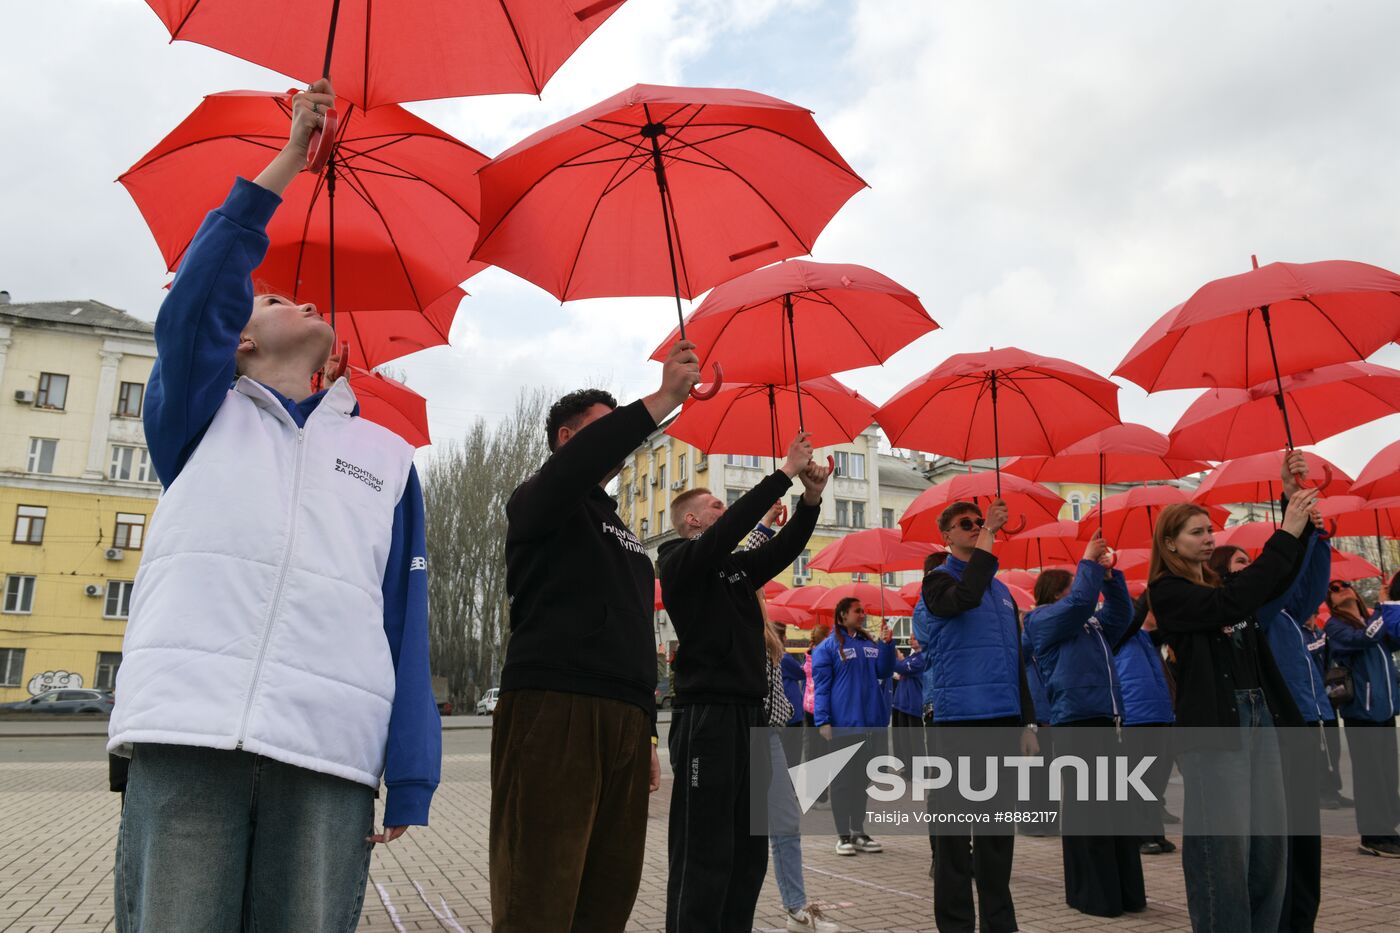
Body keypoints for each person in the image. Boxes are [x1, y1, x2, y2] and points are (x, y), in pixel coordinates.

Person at [108, 80, 441, 932]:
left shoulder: (386, 456)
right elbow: (196, 302)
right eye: (269, 298)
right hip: (188, 733)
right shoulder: (196, 414)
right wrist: (291, 156)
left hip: (327, 750)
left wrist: (410, 768)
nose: (297, 298)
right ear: (240, 340)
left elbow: (404, 615)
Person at [492, 347, 701, 930]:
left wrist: (647, 733)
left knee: (609, 891)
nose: (622, 442)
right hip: (557, 707)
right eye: (604, 429)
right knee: (539, 889)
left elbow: (633, 634)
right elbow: (571, 472)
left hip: (625, 718)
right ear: (566, 437)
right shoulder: (541, 497)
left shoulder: (616, 525)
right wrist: (661, 401)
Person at [659, 434, 829, 933]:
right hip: (706, 719)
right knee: (703, 850)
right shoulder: (678, 562)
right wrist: (781, 472)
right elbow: (732, 528)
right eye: (715, 504)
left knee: (748, 852)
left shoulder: (732, 569)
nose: (724, 508)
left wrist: (810, 498)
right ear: (693, 520)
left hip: (750, 721)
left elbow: (784, 549)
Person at [1148, 459, 1320, 933]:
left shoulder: (1221, 584)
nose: (1209, 538)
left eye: (1209, 531)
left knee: (1269, 850)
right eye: (1196, 532)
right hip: (1216, 731)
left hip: (1260, 714)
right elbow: (1232, 603)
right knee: (1222, 854)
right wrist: (1285, 531)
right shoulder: (1169, 592)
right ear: (1169, 544)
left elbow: (1275, 582)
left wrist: (1293, 506)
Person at [915, 499, 1037, 933]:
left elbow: (1014, 660)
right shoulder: (937, 580)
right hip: (957, 721)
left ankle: (1000, 925)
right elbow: (962, 599)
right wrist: (989, 540)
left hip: (1002, 719)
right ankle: (955, 925)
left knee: (997, 838)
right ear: (946, 536)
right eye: (964, 524)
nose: (974, 527)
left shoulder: (1002, 593)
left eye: (978, 522)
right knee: (953, 837)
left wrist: (1027, 720)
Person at [1210, 507, 1332, 930]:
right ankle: (1283, 918)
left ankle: (1300, 916)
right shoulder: (1245, 613)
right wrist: (1294, 528)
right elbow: (1280, 576)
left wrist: (1317, 539)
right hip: (1271, 729)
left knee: (1305, 834)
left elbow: (1307, 583)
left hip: (1305, 720)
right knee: (1282, 838)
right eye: (1241, 561)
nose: (1251, 563)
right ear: (1225, 576)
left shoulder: (1280, 614)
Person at [1024, 533, 1143, 918]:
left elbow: (1121, 616)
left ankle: (1124, 892)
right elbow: (1080, 603)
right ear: (1055, 592)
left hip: (1106, 719)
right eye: (1072, 585)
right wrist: (1088, 564)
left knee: (1117, 811)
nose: (1079, 590)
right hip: (1076, 721)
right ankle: (1093, 894)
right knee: (1089, 811)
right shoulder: (1041, 620)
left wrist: (1110, 577)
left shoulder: (1087, 623)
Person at [762, 615, 840, 933]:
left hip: (769, 733)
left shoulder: (766, 637)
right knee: (733, 831)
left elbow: (785, 680)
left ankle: (796, 910)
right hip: (732, 733)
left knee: (786, 822)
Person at [812, 597, 897, 855]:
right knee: (842, 781)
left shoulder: (869, 643)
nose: (863, 614)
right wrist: (823, 720)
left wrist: (886, 644)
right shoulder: (827, 647)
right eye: (857, 610)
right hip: (842, 725)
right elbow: (822, 687)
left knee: (862, 779)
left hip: (870, 722)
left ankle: (859, 831)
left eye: (863, 609)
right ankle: (843, 835)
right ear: (842, 615)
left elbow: (884, 671)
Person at [1322, 577, 1400, 857]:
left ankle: (1388, 829)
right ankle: (1373, 834)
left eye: (1343, 585)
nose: (1339, 589)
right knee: (1370, 776)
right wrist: (1382, 608)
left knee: (1388, 773)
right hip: (1362, 714)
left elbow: (1395, 637)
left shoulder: (1373, 620)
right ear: (1330, 602)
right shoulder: (1335, 626)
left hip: (1385, 710)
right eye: (1332, 589)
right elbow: (1365, 638)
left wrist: (1390, 605)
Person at [1112, 599, 1176, 855]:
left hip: (1160, 714)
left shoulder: (1145, 639)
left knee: (1157, 778)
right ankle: (1140, 835)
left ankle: (1155, 832)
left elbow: (1172, 628)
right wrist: (1154, 584)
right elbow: (1136, 615)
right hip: (1135, 716)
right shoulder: (1118, 633)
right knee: (1139, 779)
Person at [891, 635, 931, 769]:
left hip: (913, 705)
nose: (910, 640)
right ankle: (908, 768)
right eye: (910, 637)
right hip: (901, 704)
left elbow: (901, 667)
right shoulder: (911, 657)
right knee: (903, 741)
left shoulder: (922, 658)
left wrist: (892, 652)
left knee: (915, 741)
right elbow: (901, 665)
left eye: (914, 638)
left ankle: (921, 771)